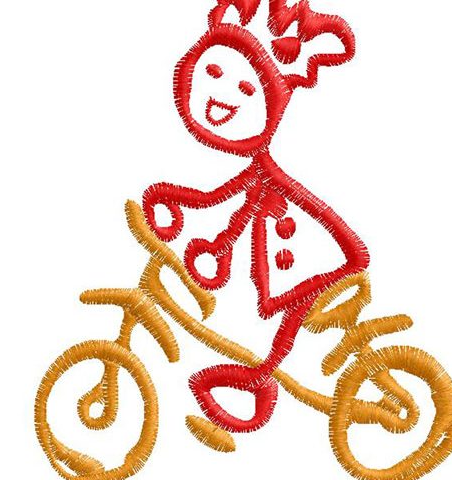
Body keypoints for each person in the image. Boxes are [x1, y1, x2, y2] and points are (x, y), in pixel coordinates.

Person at [143, 0, 369, 434]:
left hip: (301, 239)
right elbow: (215, 197)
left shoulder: (261, 172)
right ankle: (258, 378)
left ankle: (258, 377)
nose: (224, 93)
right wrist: (172, 201)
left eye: (248, 91)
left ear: (270, 109)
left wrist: (173, 205)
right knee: (281, 303)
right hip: (282, 232)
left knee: (293, 300)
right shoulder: (251, 168)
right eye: (212, 72)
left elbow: (218, 199)